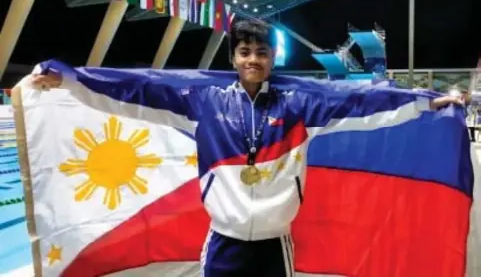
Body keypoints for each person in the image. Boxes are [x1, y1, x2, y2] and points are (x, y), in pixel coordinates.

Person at [30, 20, 463, 277]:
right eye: (244, 52)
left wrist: (424, 103)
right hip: (223, 243)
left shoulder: (301, 103)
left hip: (275, 246)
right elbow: (137, 89)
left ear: (271, 58)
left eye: (260, 52)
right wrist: (69, 79)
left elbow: (362, 102)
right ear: (233, 58)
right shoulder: (204, 102)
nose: (253, 59)